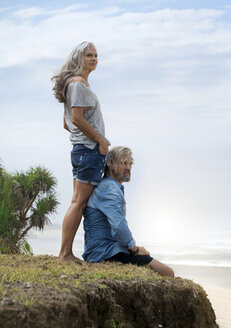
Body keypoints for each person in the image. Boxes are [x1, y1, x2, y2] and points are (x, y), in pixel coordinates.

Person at [51, 41, 110, 262]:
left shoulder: (77, 85)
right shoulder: (78, 86)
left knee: (78, 201)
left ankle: (67, 252)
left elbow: (67, 123)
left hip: (82, 150)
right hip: (88, 150)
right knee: (78, 202)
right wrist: (99, 139)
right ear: (78, 58)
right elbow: (75, 119)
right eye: (88, 55)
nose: (94, 59)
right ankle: (65, 254)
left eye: (96, 55)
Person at [82, 146, 174, 277]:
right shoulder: (110, 189)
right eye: (123, 163)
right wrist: (134, 249)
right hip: (104, 253)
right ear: (110, 165)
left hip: (105, 250)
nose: (128, 168)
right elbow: (118, 225)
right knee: (167, 272)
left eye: (130, 163)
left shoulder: (109, 186)